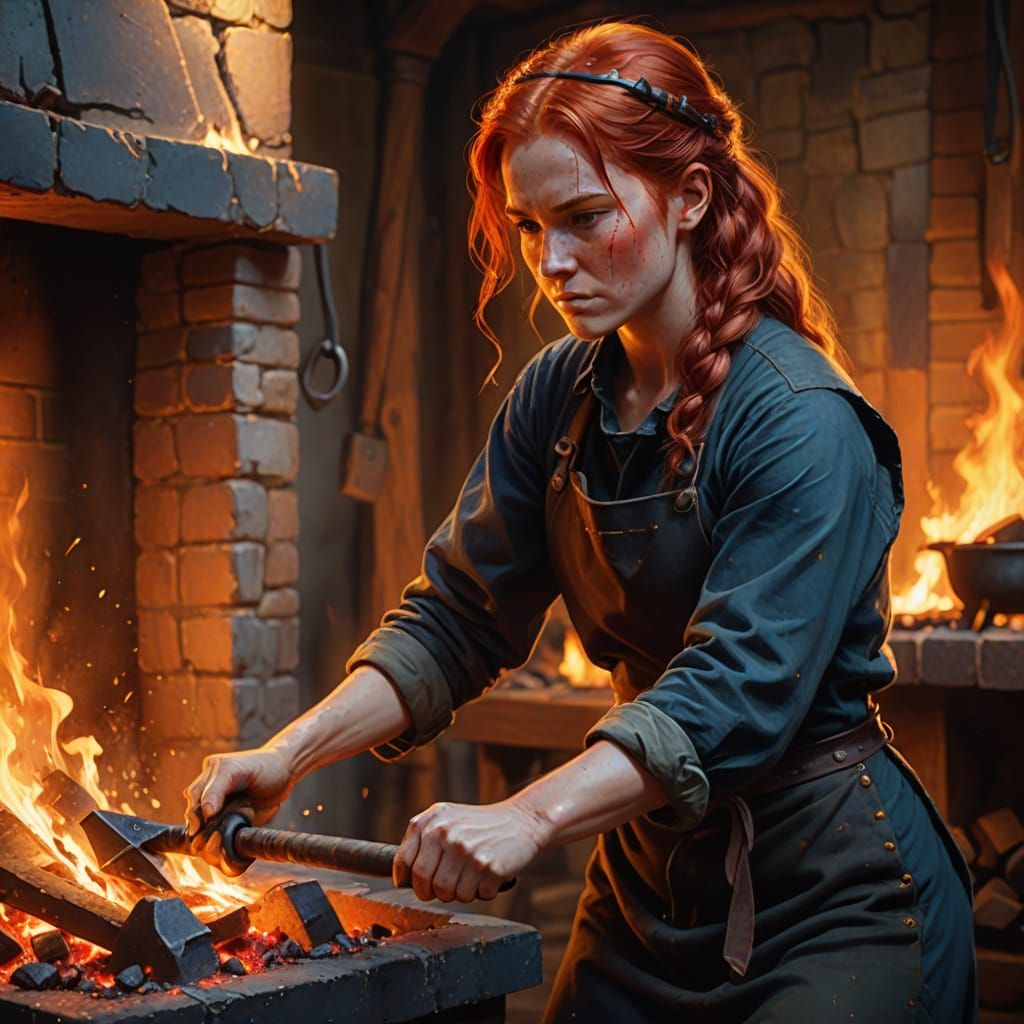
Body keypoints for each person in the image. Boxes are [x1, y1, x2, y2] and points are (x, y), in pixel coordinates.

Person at [185, 21, 977, 1023]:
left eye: (584, 216)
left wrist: (526, 815)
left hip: (835, 901)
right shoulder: (556, 392)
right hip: (646, 894)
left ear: (689, 198)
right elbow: (455, 620)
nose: (549, 261)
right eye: (526, 225)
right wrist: (287, 753)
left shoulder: (800, 419)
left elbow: (725, 694)